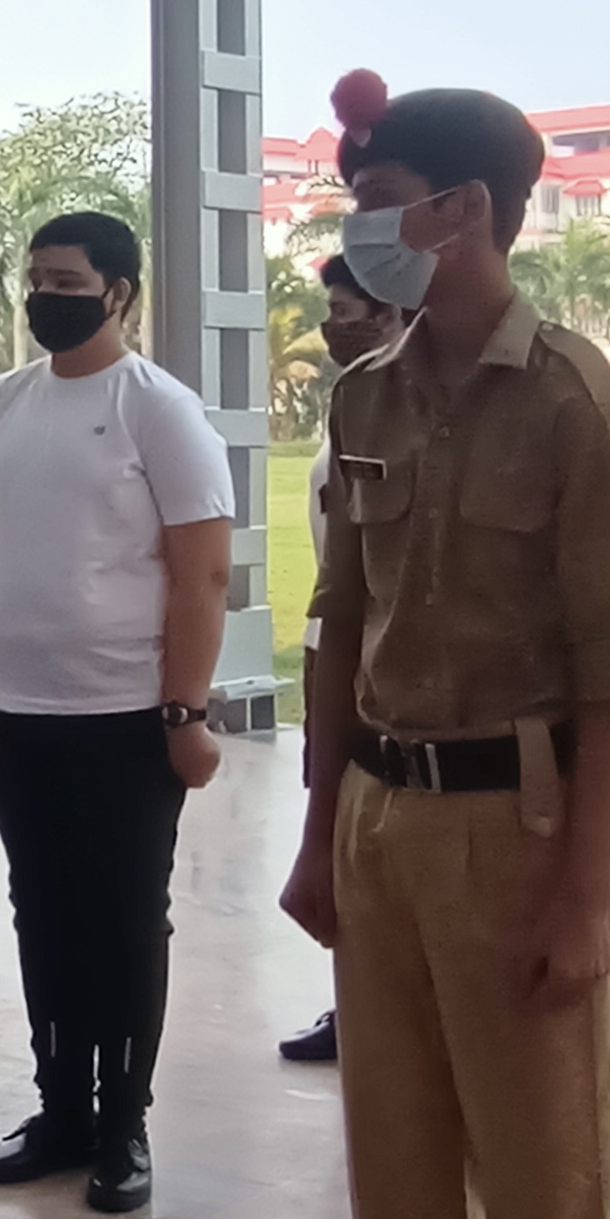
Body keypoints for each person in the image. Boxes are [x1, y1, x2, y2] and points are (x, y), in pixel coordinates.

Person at [278, 72, 610, 1219]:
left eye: (382, 203)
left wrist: (578, 896)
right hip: (383, 815)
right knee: (399, 1172)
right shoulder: (366, 395)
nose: (360, 229)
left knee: (545, 1184)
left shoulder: (572, 402)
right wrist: (319, 833)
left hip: (521, 823)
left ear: (467, 213)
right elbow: (339, 626)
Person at [0, 216, 232, 1216]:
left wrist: (186, 710)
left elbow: (203, 574)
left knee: (124, 919)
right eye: (36, 279)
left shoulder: (158, 409)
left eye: (67, 281)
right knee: (43, 912)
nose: (45, 297)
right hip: (12, 708)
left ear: (119, 293)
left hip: (124, 714)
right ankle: (60, 1108)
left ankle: (121, 1123)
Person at [282, 254, 407, 1065]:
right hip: (330, 646)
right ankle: (353, 996)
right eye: (329, 313)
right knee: (339, 827)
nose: (334, 330)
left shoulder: (405, 420)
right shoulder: (351, 412)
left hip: (378, 657)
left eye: (348, 312)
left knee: (377, 832)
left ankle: (378, 1001)